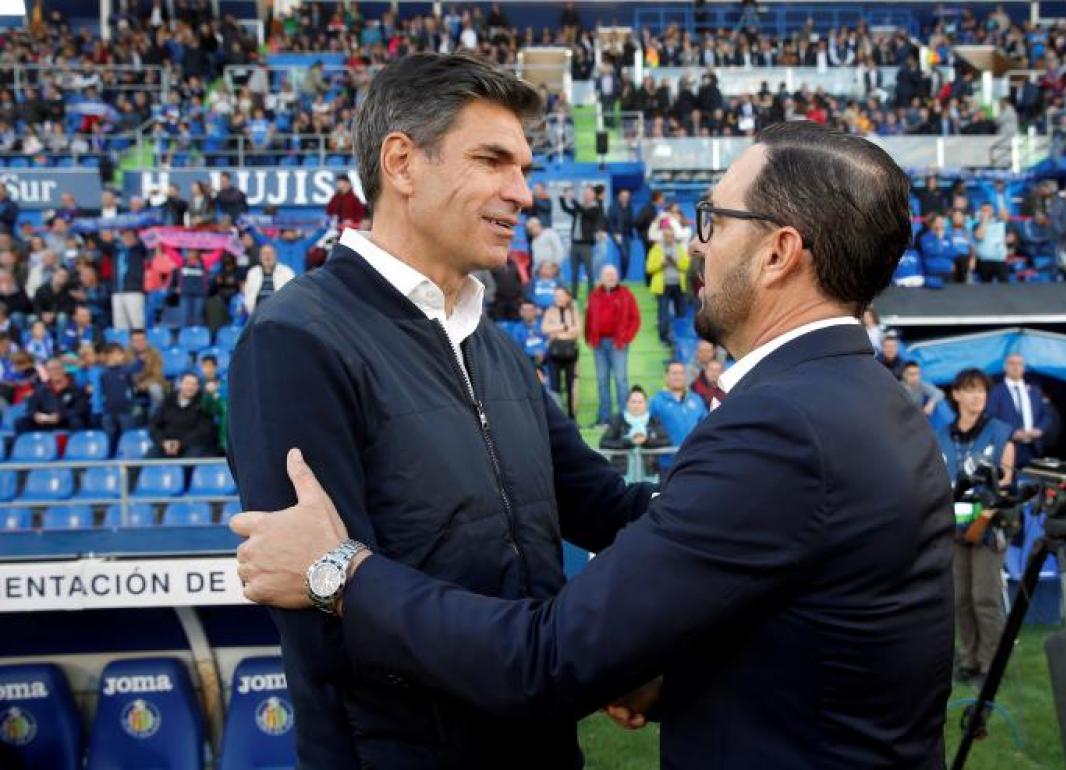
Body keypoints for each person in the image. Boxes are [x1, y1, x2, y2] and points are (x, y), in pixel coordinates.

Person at [232, 123, 954, 769]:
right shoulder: (867, 399)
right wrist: (653, 662)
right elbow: (691, 547)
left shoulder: (785, 426)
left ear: (777, 253)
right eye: (493, 160)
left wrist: (337, 573)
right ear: (401, 163)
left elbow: (546, 658)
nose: (695, 241)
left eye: (713, 220)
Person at [226, 53, 656, 770]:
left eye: (523, 167)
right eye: (493, 160)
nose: (522, 193)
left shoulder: (492, 345)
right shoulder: (294, 340)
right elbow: (326, 626)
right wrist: (547, 661)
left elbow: (608, 509)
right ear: (401, 163)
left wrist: (750, 500)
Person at [934, 367, 1015, 687]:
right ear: (956, 395)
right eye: (969, 390)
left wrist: (985, 505)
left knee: (985, 597)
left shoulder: (1000, 431)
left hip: (988, 525)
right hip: (952, 526)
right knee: (960, 598)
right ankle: (967, 658)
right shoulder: (939, 435)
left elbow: (1006, 478)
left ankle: (990, 664)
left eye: (981, 390)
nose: (976, 396)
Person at [584, 264, 639, 426]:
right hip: (599, 344)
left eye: (613, 275)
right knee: (602, 381)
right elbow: (588, 317)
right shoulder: (594, 295)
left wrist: (624, 339)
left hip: (618, 344)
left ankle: (623, 418)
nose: (611, 278)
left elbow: (635, 319)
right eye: (607, 275)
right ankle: (604, 418)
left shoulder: (626, 294)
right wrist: (589, 337)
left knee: (621, 381)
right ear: (601, 278)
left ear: (618, 277)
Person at [986, 353, 1058, 471]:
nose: (1016, 367)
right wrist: (1012, 433)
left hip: (1033, 448)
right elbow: (990, 418)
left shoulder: (1034, 391)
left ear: (1024, 368)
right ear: (1005, 367)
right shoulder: (996, 392)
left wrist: (1040, 430)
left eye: (1019, 364)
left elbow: (1047, 415)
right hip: (1007, 447)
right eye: (1012, 363)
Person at [599, 385, 671, 477]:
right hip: (622, 475)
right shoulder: (618, 420)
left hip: (650, 475)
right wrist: (628, 442)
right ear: (627, 403)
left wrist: (647, 441)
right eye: (633, 402)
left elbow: (666, 441)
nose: (636, 405)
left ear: (646, 404)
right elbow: (604, 443)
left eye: (640, 402)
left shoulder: (654, 421)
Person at [147, 373, 219, 458]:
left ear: (198, 387)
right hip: (166, 445)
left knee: (192, 459)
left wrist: (180, 443)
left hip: (192, 446)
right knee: (148, 459)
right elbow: (154, 426)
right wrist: (163, 442)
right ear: (180, 384)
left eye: (194, 384)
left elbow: (203, 431)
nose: (190, 387)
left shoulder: (203, 404)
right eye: (187, 383)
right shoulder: (167, 402)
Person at [16, 358, 90, 433]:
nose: (55, 372)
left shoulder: (75, 387)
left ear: (63, 369)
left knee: (76, 421)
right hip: (45, 421)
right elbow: (31, 408)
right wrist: (36, 415)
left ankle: (77, 444)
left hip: (65, 420)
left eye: (58, 368)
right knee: (21, 422)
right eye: (51, 369)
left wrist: (60, 416)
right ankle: (26, 444)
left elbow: (80, 409)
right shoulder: (40, 389)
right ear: (47, 372)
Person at [647, 224, 690, 346]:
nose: (669, 238)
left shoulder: (680, 248)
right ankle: (664, 338)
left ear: (674, 237)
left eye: (671, 236)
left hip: (679, 285)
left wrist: (677, 262)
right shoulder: (656, 249)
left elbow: (686, 266)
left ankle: (680, 338)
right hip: (663, 286)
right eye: (666, 236)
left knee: (681, 313)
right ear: (662, 237)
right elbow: (649, 268)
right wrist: (661, 264)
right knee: (663, 314)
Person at [560, 185, 605, 299]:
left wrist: (573, 200)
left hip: (586, 245)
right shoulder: (580, 207)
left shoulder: (595, 208)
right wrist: (562, 198)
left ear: (594, 196)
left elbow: (585, 212)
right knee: (574, 273)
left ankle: (591, 296)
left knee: (589, 272)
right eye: (585, 193)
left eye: (589, 193)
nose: (586, 195)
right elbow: (567, 209)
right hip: (575, 244)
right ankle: (574, 297)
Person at [542, 285, 580, 417]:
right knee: (555, 387)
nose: (557, 298)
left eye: (560, 295)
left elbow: (577, 331)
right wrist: (564, 327)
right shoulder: (550, 310)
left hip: (571, 353)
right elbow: (545, 329)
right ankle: (558, 415)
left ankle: (572, 416)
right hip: (554, 353)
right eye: (556, 295)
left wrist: (556, 332)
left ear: (567, 296)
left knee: (571, 386)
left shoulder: (574, 311)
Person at [110, 228, 148, 330]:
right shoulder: (117, 251)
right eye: (124, 236)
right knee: (119, 323)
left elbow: (144, 247)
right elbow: (103, 244)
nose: (126, 238)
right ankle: (122, 344)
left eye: (129, 236)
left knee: (137, 322)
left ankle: (139, 344)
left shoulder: (138, 250)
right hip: (117, 291)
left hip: (133, 291)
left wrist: (137, 241)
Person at [243, 244, 295, 315]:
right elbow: (247, 294)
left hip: (279, 314)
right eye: (264, 253)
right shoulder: (252, 272)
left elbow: (292, 295)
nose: (267, 256)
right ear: (260, 257)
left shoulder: (287, 271)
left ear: (276, 256)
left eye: (270, 253)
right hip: (257, 314)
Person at [973, 202, 1011, 283]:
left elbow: (1009, 238)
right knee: (985, 289)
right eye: (984, 210)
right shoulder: (976, 224)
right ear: (980, 212)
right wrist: (984, 222)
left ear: (992, 211)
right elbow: (979, 236)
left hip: (1000, 260)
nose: (986, 212)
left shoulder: (1000, 223)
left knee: (1005, 288)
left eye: (988, 210)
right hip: (984, 262)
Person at [173, 249, 210, 329]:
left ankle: (197, 337)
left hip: (199, 294)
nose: (190, 253)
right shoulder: (182, 262)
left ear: (197, 253)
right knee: (183, 316)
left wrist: (223, 243)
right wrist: (161, 239)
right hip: (185, 293)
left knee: (198, 317)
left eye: (193, 251)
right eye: (188, 251)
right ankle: (183, 336)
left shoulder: (204, 263)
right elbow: (170, 253)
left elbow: (217, 255)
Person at [607, 188, 634, 279]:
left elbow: (631, 222)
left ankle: (624, 276)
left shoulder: (629, 207)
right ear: (619, 197)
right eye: (623, 196)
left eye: (627, 196)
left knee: (627, 256)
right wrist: (615, 233)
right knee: (624, 254)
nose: (625, 198)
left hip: (627, 235)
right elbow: (610, 222)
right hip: (617, 234)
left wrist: (632, 234)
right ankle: (621, 276)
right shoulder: (613, 207)